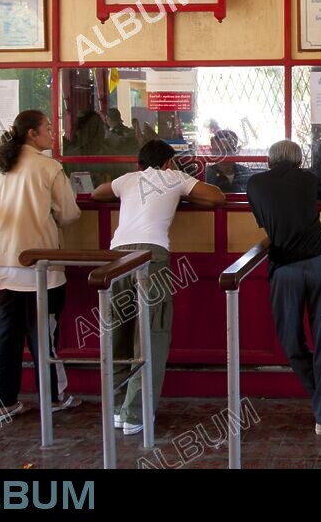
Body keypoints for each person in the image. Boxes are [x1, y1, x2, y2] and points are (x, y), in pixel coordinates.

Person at [91, 140, 226, 435]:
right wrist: (184, 196)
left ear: (140, 164)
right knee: (150, 336)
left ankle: (115, 409)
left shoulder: (128, 180)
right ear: (168, 162)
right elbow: (217, 197)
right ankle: (136, 415)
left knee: (118, 334)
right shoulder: (174, 177)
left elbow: (97, 193)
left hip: (115, 259)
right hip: (150, 260)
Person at [246, 140, 321, 435]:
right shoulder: (307, 177)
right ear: (298, 161)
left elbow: (268, 224)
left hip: (284, 268)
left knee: (290, 341)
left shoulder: (255, 183)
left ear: (269, 160)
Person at [0, 109, 83, 423]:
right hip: (43, 268)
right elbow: (69, 214)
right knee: (45, 336)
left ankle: (1, 403)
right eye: (47, 128)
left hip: (6, 264)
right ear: (31, 133)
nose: (52, 134)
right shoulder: (49, 167)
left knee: (6, 337)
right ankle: (53, 397)